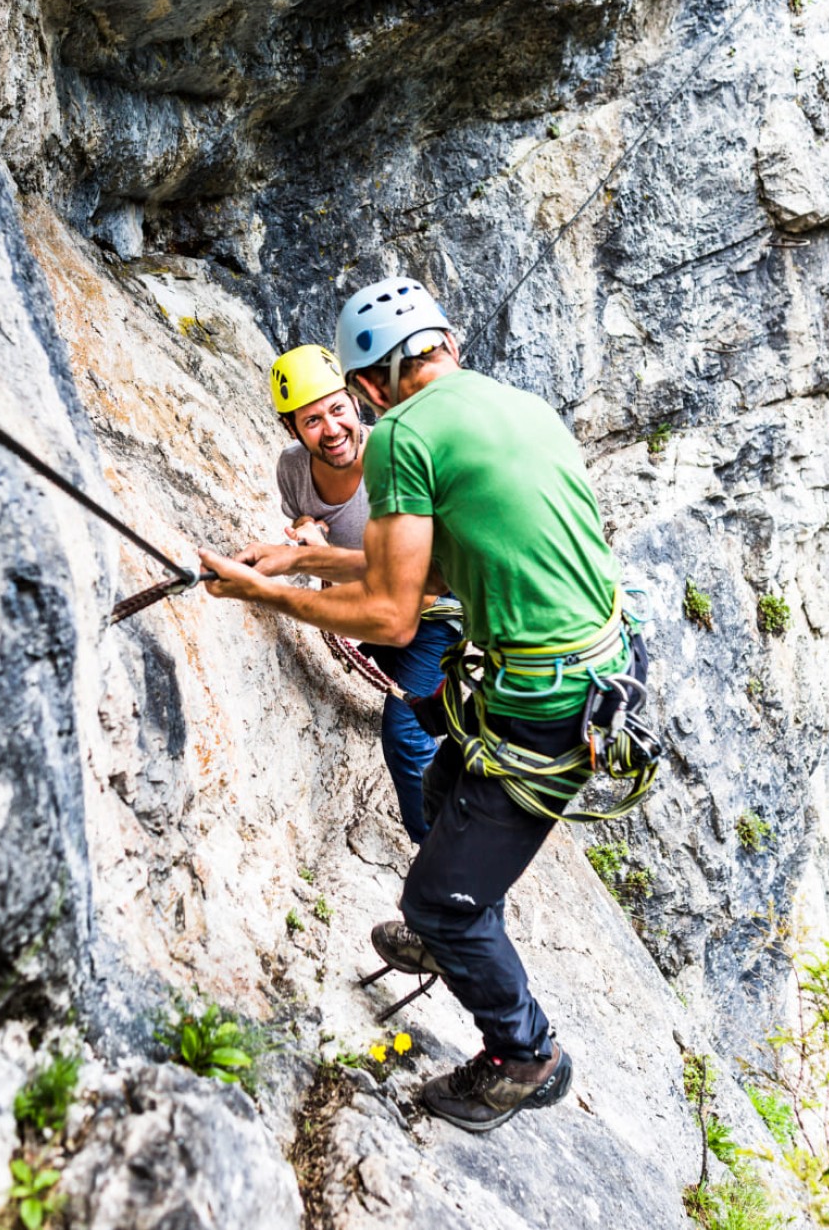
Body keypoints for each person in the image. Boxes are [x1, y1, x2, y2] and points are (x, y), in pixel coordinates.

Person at [199, 276, 655, 1133]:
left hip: (545, 698)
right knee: (446, 774)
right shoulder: (517, 406)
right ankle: (461, 927)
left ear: (369, 387)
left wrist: (266, 593)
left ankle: (523, 1055)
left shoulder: (401, 435)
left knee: (437, 903)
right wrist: (293, 564)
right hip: (593, 666)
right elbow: (439, 573)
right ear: (442, 344)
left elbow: (390, 612)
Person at [235, 343, 460, 845]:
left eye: (337, 409)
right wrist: (308, 528)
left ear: (356, 403)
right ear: (291, 429)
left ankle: (440, 863)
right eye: (311, 421)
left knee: (406, 737)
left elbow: (425, 580)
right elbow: (304, 515)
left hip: (433, 609)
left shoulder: (396, 456)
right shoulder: (292, 469)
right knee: (427, 715)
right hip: (374, 604)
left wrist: (314, 564)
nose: (331, 429)